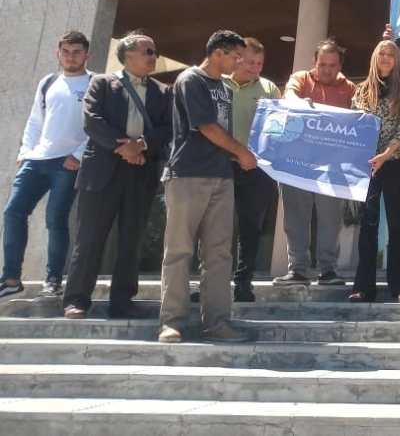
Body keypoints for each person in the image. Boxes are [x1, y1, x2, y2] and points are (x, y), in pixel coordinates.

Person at [62, 32, 172, 319]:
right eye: (148, 51)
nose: (153, 56)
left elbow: (166, 129)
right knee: (89, 238)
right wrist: (123, 147)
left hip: (141, 172)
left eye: (154, 51)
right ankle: (76, 300)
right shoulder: (102, 83)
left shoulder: (163, 91)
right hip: (102, 172)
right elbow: (92, 120)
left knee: (131, 239)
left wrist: (141, 146)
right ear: (128, 55)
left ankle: (122, 301)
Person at [158, 30, 256, 344]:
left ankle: (217, 323)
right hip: (187, 175)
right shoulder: (191, 80)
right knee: (178, 251)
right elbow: (206, 127)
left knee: (218, 255)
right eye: (235, 56)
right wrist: (241, 152)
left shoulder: (224, 87)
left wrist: (237, 154)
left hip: (221, 177)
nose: (239, 62)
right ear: (218, 53)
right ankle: (172, 322)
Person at [1, 31, 92, 300]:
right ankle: (11, 279)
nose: (70, 56)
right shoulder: (48, 82)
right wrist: (25, 152)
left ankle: (53, 280)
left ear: (86, 54)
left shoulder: (95, 82)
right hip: (36, 160)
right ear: (58, 53)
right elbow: (35, 120)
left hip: (68, 163)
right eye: (66, 51)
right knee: (13, 212)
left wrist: (79, 154)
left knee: (55, 219)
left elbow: (97, 124)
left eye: (76, 51)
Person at [273, 38, 357, 287]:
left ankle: (328, 270)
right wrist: (300, 104)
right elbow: (289, 96)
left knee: (331, 220)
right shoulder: (300, 79)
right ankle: (297, 269)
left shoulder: (350, 88)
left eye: (332, 65)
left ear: (340, 65)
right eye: (322, 64)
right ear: (314, 63)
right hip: (296, 162)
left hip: (331, 167)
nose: (327, 70)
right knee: (295, 217)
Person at [348, 39, 400, 303]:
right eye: (382, 54)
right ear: (374, 59)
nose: (386, 58)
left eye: (391, 55)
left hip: (396, 161)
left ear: (397, 60)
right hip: (368, 165)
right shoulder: (361, 91)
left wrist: (386, 154)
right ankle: (363, 287)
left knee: (397, 223)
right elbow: (354, 127)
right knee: (368, 223)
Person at [222, 37, 281, 302]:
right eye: (250, 62)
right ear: (237, 58)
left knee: (250, 229)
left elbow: (280, 128)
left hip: (257, 171)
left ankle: (243, 283)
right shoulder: (217, 84)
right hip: (220, 166)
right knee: (216, 229)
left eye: (260, 63)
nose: (255, 67)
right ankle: (212, 283)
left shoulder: (269, 88)